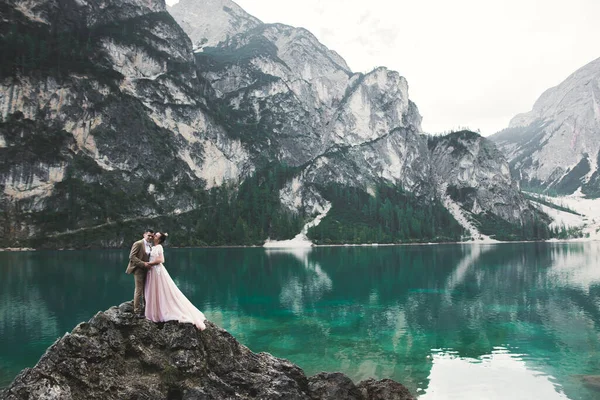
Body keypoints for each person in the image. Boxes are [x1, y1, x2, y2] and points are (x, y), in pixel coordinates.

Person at [144, 232, 207, 330]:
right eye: (155, 235)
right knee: (154, 290)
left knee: (161, 290)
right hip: (153, 271)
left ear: (159, 240)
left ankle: (160, 311)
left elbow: (161, 260)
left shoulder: (159, 247)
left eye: (156, 236)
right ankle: (154, 310)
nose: (154, 236)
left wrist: (149, 263)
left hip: (157, 271)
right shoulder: (153, 246)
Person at [125, 229, 154, 317]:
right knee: (139, 290)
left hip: (147, 270)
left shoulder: (150, 245)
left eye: (152, 236)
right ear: (144, 234)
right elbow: (132, 256)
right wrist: (143, 264)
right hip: (138, 269)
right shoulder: (138, 243)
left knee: (146, 290)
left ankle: (146, 309)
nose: (150, 237)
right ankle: (137, 311)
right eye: (148, 235)